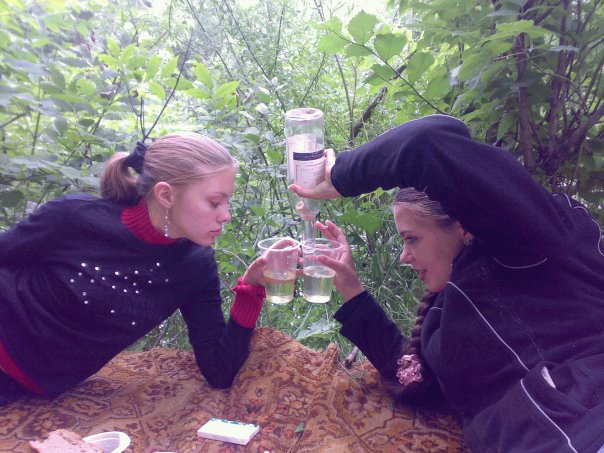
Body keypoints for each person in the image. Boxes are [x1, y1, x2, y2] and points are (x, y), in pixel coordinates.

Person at [290, 114, 604, 453]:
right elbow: (414, 379)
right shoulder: (442, 319)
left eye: (412, 238)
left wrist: (338, 175)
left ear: (461, 226)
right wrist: (351, 289)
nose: (404, 257)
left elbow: (427, 143)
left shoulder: (527, 248)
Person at [0, 132, 270, 404]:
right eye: (214, 202)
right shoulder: (74, 217)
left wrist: (251, 289)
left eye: (227, 202)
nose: (226, 215)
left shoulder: (195, 265)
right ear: (166, 194)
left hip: (21, 388)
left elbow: (219, 371)